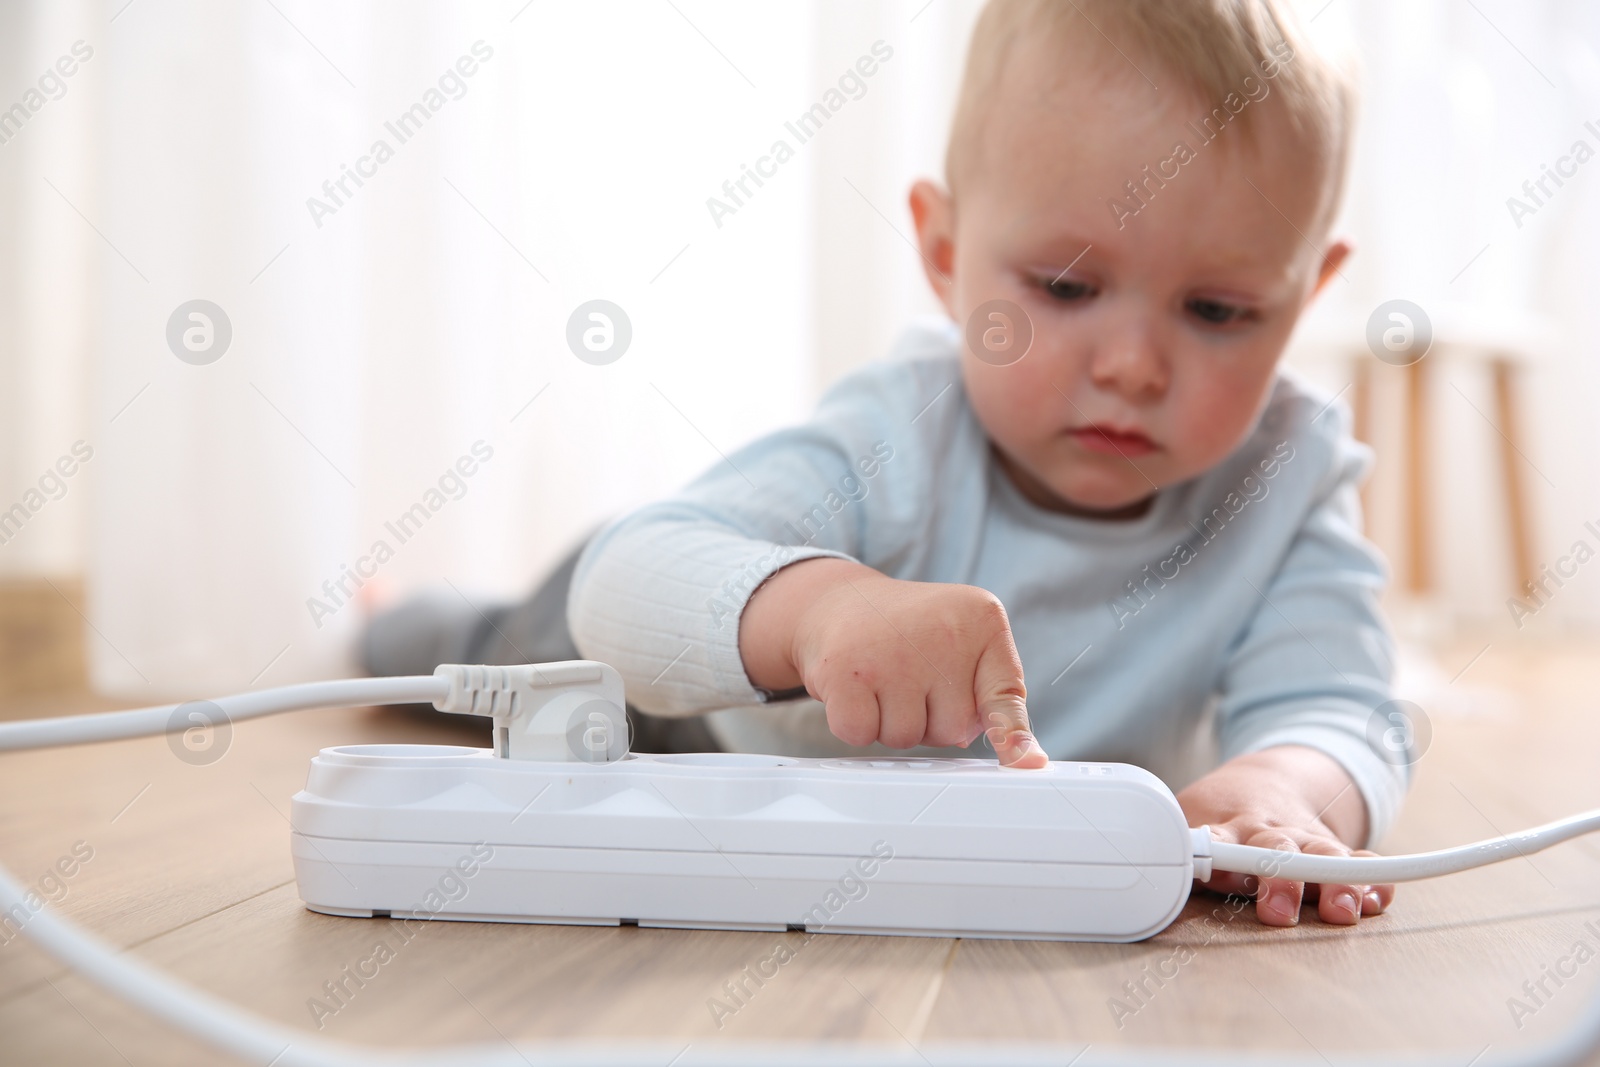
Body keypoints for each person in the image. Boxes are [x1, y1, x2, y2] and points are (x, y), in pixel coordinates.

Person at [369, 0, 1406, 928]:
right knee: (487, 655)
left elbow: (1342, 698)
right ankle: (399, 614)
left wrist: (1286, 784)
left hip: (938, 839)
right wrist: (824, 610)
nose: (1133, 365)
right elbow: (629, 583)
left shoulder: (1289, 477)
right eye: (1065, 285)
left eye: (1218, 310)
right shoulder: (901, 431)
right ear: (946, 254)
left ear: (1306, 294)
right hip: (696, 716)